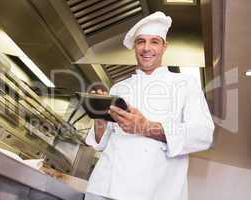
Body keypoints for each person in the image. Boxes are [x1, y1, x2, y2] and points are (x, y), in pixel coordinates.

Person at [84, 11, 215, 200]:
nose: (147, 48)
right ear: (135, 47)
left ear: (164, 46)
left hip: (153, 191)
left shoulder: (186, 84)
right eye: (141, 41)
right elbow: (102, 143)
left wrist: (147, 127)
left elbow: (203, 134)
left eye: (154, 41)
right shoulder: (119, 88)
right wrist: (100, 120)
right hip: (103, 188)